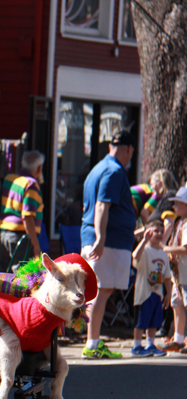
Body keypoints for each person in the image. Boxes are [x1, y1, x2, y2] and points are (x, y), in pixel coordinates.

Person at [80, 131, 137, 360]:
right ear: (129, 149)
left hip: (97, 238)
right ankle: (92, 344)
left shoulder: (97, 168)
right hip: (107, 241)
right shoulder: (114, 171)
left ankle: (92, 342)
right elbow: (102, 206)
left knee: (100, 291)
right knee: (101, 292)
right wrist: (101, 239)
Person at [0, 150, 45, 272]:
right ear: (39, 168)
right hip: (19, 237)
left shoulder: (9, 178)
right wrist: (36, 245)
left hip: (3, 234)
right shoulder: (31, 184)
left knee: (2, 275)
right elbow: (27, 217)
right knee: (21, 277)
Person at [129, 218, 171, 357]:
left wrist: (168, 294)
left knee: (154, 321)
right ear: (148, 232)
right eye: (155, 231)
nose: (159, 234)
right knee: (141, 320)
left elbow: (166, 276)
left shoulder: (164, 253)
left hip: (157, 292)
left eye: (161, 231)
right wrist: (143, 240)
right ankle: (136, 346)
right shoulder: (145, 249)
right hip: (144, 292)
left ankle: (150, 344)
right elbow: (135, 256)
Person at [161, 187, 187, 353]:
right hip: (178, 275)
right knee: (177, 304)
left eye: (178, 204)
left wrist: (166, 249)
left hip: (185, 274)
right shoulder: (179, 223)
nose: (174, 207)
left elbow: (184, 248)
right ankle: (178, 338)